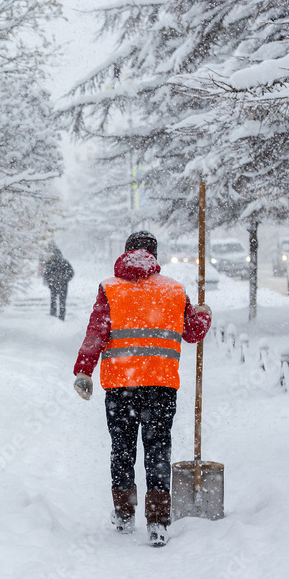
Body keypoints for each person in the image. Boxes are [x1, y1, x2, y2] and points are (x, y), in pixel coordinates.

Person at [71, 230, 212, 547]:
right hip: (161, 387)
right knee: (158, 452)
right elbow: (192, 332)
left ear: (125, 253)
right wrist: (203, 315)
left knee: (122, 451)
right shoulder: (174, 290)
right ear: (155, 256)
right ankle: (158, 523)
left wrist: (84, 371)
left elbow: (96, 334)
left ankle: (124, 515)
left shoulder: (110, 289)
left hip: (121, 387)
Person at [42, 245, 74, 320]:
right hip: (63, 285)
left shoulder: (50, 263)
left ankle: (53, 315)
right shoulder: (64, 262)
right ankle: (61, 316)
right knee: (62, 301)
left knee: (53, 300)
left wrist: (51, 281)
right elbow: (71, 273)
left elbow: (46, 274)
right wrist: (64, 280)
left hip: (54, 285)